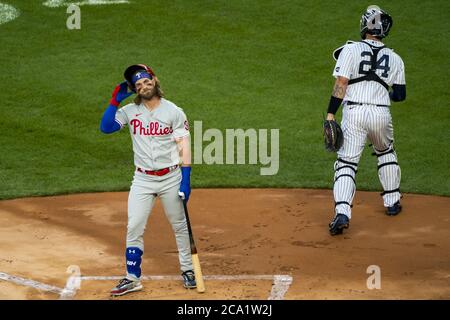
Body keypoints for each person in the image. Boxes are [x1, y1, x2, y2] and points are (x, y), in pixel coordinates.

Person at [100, 64, 196, 296]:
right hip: (142, 179)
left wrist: (186, 179)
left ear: (154, 80)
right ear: (134, 89)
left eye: (146, 80)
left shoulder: (174, 111)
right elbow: (106, 128)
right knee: (134, 225)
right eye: (138, 84)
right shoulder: (129, 112)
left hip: (171, 177)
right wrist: (114, 101)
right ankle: (132, 278)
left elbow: (184, 146)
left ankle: (188, 270)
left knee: (180, 225)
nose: (144, 86)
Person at [326, 6, 406, 235]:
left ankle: (342, 213)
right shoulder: (396, 58)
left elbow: (341, 84)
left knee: (347, 163)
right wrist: (381, 95)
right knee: (386, 151)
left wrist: (331, 112)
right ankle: (392, 202)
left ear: (365, 24)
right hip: (382, 113)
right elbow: (400, 95)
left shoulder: (349, 50)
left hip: (354, 114)